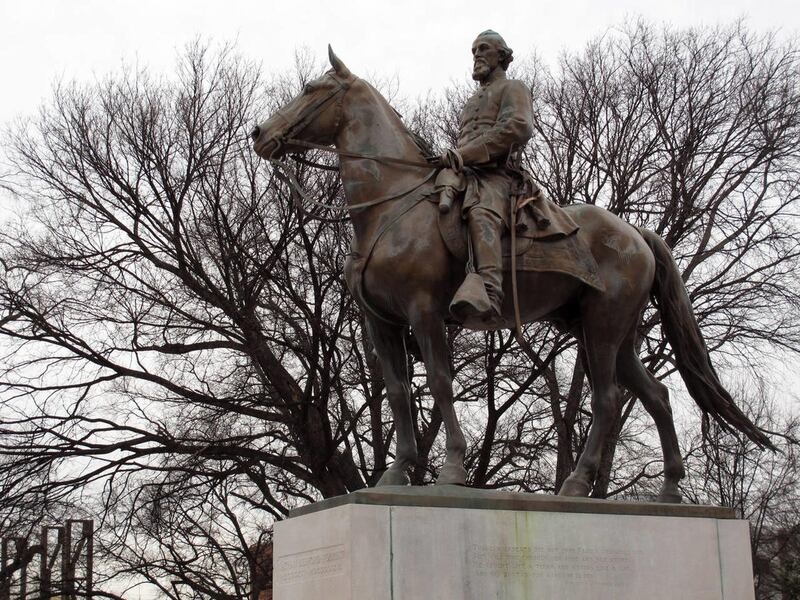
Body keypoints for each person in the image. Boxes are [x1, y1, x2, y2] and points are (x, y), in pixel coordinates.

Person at [431, 30, 534, 322]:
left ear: (501, 56)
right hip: (464, 172)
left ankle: (490, 292)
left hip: (497, 176)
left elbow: (518, 127)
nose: (476, 54)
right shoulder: (472, 101)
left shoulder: (513, 87)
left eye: (483, 48)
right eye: (473, 50)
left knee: (481, 211)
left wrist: (465, 155)